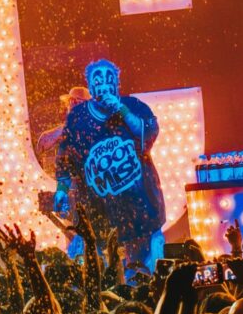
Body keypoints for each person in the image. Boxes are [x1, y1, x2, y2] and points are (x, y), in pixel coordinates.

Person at [54, 59, 166, 270]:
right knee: (103, 274)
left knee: (142, 273)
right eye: (98, 80)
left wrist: (121, 110)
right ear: (91, 86)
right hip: (100, 218)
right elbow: (65, 158)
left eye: (109, 79)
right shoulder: (78, 118)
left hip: (141, 213)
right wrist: (61, 189)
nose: (104, 84)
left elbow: (147, 135)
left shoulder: (134, 106)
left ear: (116, 83)